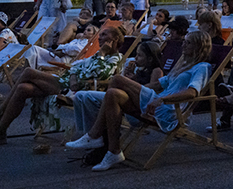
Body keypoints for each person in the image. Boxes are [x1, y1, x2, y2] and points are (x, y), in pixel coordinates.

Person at [67, 30, 212, 171]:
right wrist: (132, 88)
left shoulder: (202, 67)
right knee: (113, 94)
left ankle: (94, 135)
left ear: (199, 47)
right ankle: (113, 151)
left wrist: (161, 99)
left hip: (167, 109)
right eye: (184, 41)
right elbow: (157, 85)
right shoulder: (182, 66)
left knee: (117, 79)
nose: (183, 45)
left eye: (188, 43)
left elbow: (192, 92)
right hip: (157, 101)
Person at [0, 26, 125, 144]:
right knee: (22, 88)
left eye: (104, 35)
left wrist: (101, 54)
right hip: (64, 81)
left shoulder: (115, 58)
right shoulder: (97, 55)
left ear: (115, 39)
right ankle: (0, 132)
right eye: (100, 35)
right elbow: (77, 67)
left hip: (72, 89)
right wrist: (77, 69)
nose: (99, 38)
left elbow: (101, 75)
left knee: (28, 72)